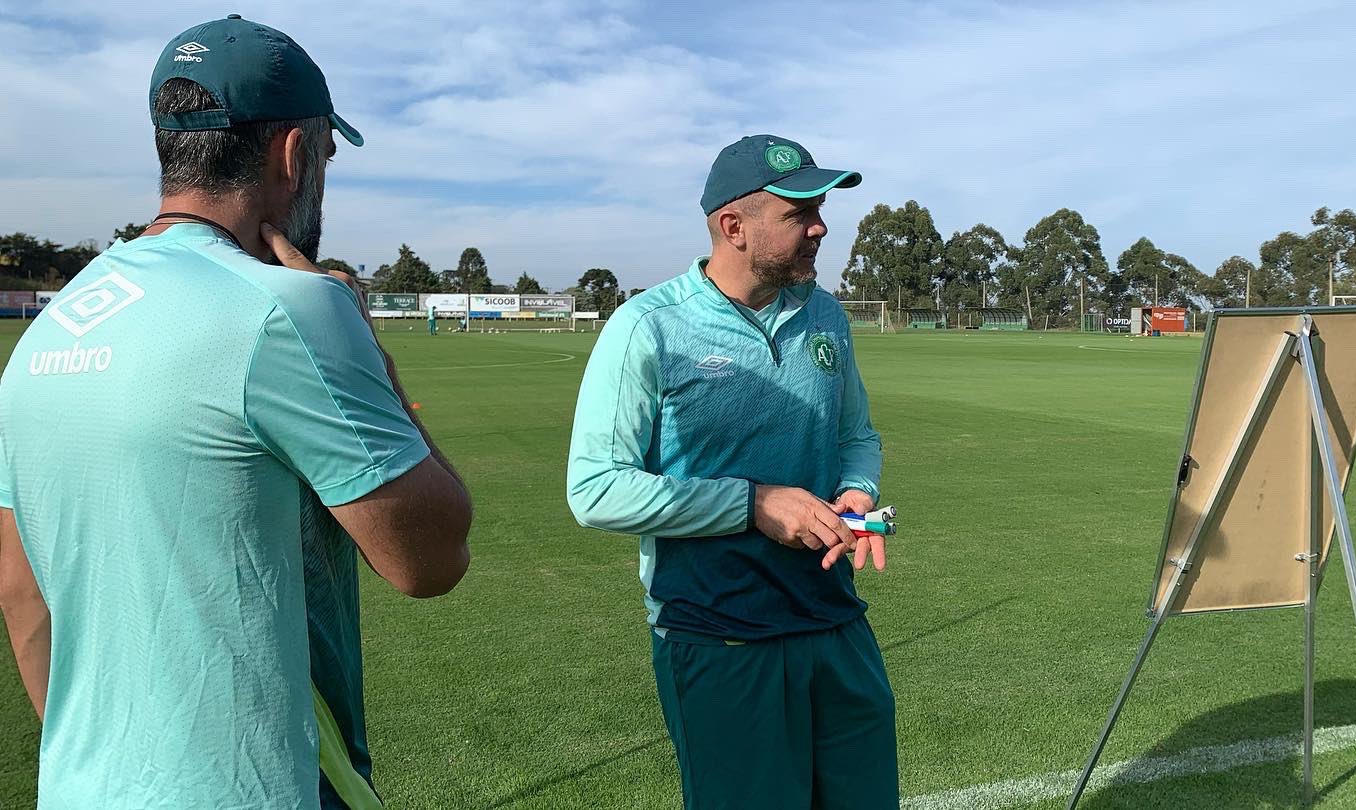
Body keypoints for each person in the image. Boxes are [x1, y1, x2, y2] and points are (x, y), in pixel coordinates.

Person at [0, 16, 472, 809]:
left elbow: (22, 593)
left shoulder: (53, 327)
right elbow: (431, 560)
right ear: (294, 154)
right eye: (326, 155)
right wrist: (371, 358)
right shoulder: (291, 309)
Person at [566, 134, 896, 809]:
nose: (820, 227)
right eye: (799, 213)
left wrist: (856, 492)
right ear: (733, 227)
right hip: (719, 637)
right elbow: (595, 488)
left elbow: (855, 435)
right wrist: (753, 504)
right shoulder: (648, 327)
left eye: (820, 210)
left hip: (835, 624)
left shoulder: (825, 315)